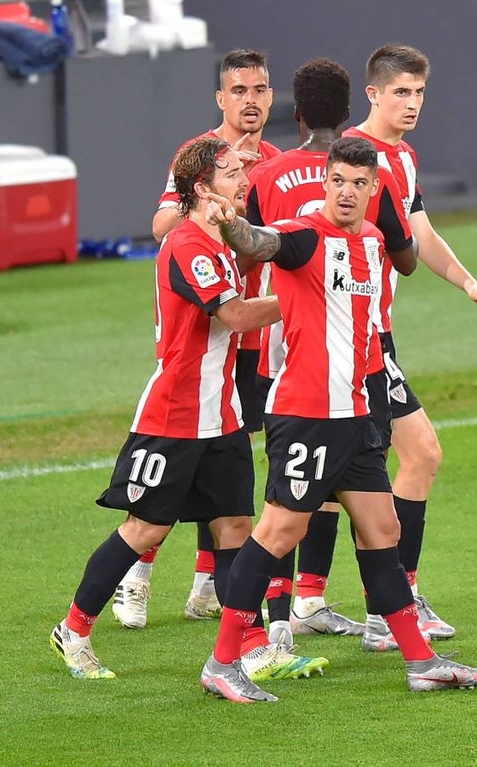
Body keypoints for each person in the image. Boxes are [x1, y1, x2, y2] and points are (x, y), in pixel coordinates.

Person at [198, 137, 477, 703]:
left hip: (359, 414)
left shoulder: (377, 240)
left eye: (359, 183)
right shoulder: (305, 234)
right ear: (326, 182)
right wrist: (233, 225)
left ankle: (421, 662)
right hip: (307, 415)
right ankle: (222, 663)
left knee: (384, 531)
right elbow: (263, 242)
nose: (346, 191)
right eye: (338, 180)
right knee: (279, 531)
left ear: (374, 189)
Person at [49, 136, 299, 680]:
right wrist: (304, 297)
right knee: (145, 531)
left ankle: (251, 646)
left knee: (235, 526)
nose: (244, 179)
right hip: (174, 416)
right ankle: (73, 631)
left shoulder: (221, 243)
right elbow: (233, 317)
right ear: (201, 188)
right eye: (232, 172)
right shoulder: (187, 245)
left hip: (222, 415)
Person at [243, 57, 419, 651]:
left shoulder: (267, 175)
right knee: (286, 517)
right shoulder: (373, 178)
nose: (346, 189)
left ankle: (296, 621)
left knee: (324, 507)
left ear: (292, 109)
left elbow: (251, 255)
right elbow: (406, 253)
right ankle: (268, 635)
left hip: (288, 359)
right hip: (325, 374)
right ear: (351, 110)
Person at [113, 49, 282, 630]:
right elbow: (164, 226)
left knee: (226, 469)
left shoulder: (278, 162)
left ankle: (208, 588)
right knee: (180, 462)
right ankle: (135, 578)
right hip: (211, 322)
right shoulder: (203, 157)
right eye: (239, 90)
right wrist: (219, 215)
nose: (251, 100)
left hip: (253, 336)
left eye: (259, 89)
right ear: (221, 99)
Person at [344, 43, 477, 651]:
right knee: (415, 456)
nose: (412, 105)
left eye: (419, 94)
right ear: (374, 94)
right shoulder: (353, 158)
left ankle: (377, 605)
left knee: (360, 473)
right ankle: (387, 606)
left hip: (375, 334)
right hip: (349, 339)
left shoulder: (404, 159)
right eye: (401, 93)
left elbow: (420, 232)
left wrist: (467, 281)